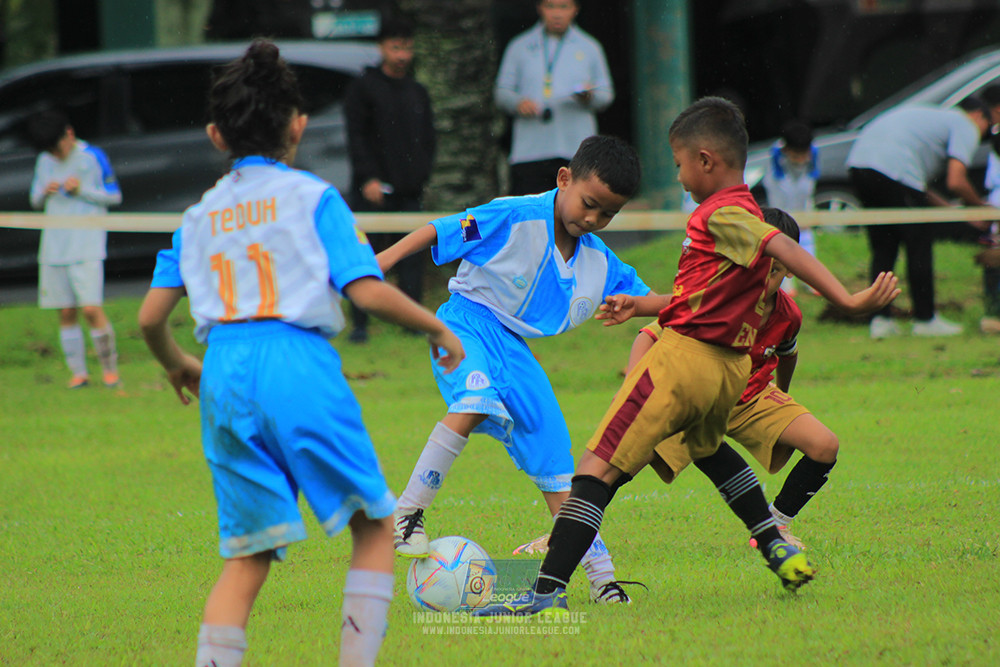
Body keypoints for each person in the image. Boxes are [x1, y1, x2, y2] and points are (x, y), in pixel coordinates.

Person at [473, 97, 899, 617]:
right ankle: (774, 542)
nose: (678, 177)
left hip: (680, 361)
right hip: (727, 370)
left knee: (592, 474)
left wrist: (848, 298)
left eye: (678, 164)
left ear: (705, 160)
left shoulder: (720, 212)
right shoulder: (737, 211)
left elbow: (781, 248)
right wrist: (644, 305)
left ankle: (542, 597)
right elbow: (706, 295)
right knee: (709, 452)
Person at [136, 40, 464, 667]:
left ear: (214, 135)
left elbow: (152, 317)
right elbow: (366, 290)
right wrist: (436, 328)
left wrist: (177, 362)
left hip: (225, 373)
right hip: (296, 363)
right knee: (374, 527)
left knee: (246, 557)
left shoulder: (197, 217)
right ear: (298, 125)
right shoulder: (314, 198)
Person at [381, 135, 653, 604]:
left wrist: (645, 306)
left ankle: (603, 579)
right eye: (589, 204)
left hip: (516, 351)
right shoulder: (514, 214)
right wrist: (377, 264)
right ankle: (405, 516)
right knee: (475, 399)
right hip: (465, 323)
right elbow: (438, 229)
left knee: (556, 465)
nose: (593, 219)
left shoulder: (597, 260)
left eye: (607, 214)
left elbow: (650, 298)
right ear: (563, 179)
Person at [625, 208, 836, 551]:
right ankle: (564, 531)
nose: (768, 280)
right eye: (761, 268)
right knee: (625, 457)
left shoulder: (788, 313)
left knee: (824, 445)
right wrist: (635, 391)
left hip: (750, 397)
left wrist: (782, 396)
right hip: (696, 398)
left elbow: (788, 351)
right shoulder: (712, 297)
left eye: (779, 272)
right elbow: (649, 335)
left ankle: (777, 526)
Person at [846, 96, 992, 339]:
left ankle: (880, 321)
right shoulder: (964, 123)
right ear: (978, 115)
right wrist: (981, 208)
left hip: (860, 166)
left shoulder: (931, 120)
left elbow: (920, 192)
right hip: (893, 170)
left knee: (884, 245)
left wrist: (962, 215)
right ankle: (925, 319)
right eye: (987, 128)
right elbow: (956, 181)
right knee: (920, 242)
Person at [344, 15, 436, 343]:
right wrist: (368, 178)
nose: (401, 55)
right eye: (395, 47)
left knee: (411, 256)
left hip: (409, 189)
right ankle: (359, 324)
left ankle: (412, 322)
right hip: (371, 190)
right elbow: (356, 138)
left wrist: (421, 175)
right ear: (382, 48)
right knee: (363, 256)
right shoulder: (363, 88)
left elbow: (428, 139)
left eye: (407, 48)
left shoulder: (417, 92)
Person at [27, 109, 123, 389]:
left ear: (68, 134)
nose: (55, 155)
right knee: (65, 310)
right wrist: (46, 190)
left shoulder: (92, 156)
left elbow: (114, 196)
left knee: (91, 309)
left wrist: (82, 190)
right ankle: (79, 374)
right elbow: (35, 199)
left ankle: (110, 371)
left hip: (86, 243)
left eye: (57, 147)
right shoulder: (44, 160)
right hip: (54, 244)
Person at [494, 0, 614, 196]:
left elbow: (606, 95)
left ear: (575, 10)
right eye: (550, 6)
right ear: (540, 8)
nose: (557, 13)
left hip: (575, 150)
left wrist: (588, 97)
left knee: (573, 214)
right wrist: (518, 103)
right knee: (531, 214)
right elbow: (501, 92)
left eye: (564, 7)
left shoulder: (590, 47)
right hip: (530, 150)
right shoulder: (520, 46)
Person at [761, 119, 819, 296]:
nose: (801, 159)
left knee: (807, 239)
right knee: (782, 241)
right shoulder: (775, 157)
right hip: (781, 200)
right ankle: (786, 284)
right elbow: (777, 192)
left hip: (802, 201)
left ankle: (812, 281)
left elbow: (809, 185)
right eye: (796, 155)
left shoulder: (814, 152)